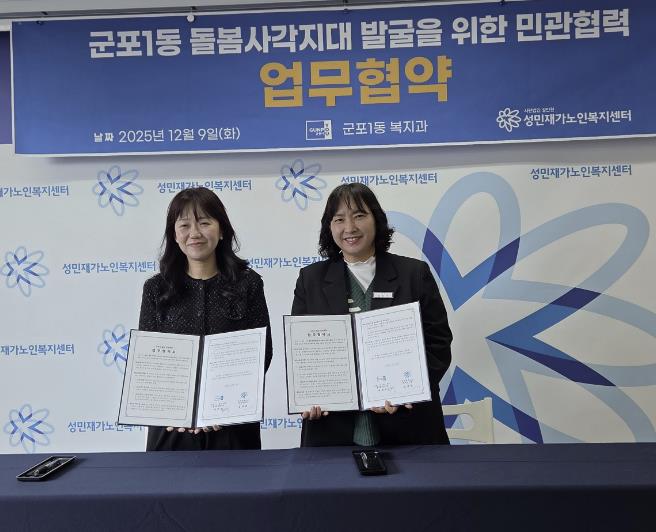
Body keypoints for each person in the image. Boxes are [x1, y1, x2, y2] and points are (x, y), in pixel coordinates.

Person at [292, 183, 452, 446]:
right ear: (329, 227)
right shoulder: (310, 279)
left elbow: (438, 344)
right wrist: (308, 396)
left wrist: (409, 391)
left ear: (376, 220)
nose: (349, 227)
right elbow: (303, 353)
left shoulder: (413, 274)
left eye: (359, 216)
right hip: (333, 432)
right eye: (339, 219)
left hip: (409, 427)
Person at [139, 187, 273, 451]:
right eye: (184, 225)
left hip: (232, 426)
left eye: (204, 222)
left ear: (221, 230)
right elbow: (149, 361)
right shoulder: (156, 289)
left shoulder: (248, 284)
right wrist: (180, 411)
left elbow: (262, 353)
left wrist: (220, 406)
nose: (195, 233)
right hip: (172, 427)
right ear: (174, 235)